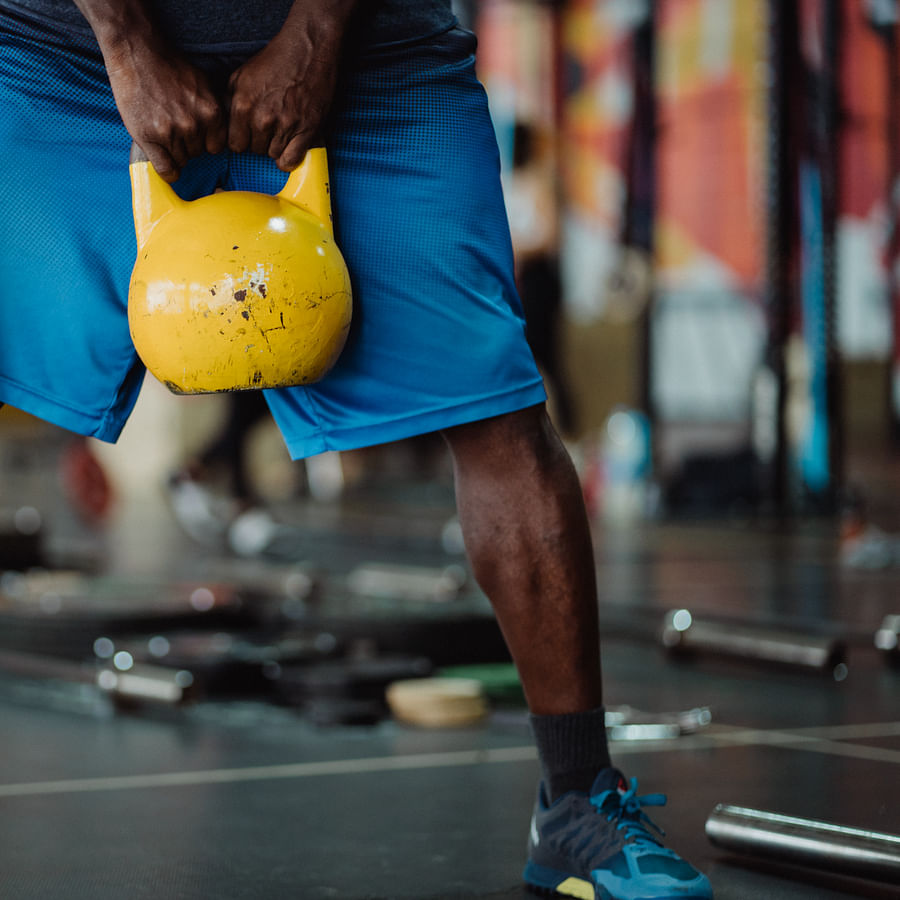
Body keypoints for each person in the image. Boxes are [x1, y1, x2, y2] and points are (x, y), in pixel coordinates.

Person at [0, 2, 712, 897]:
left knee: (499, 411)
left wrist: (316, 33)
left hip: (375, 57)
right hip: (60, 58)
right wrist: (128, 41)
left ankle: (578, 804)